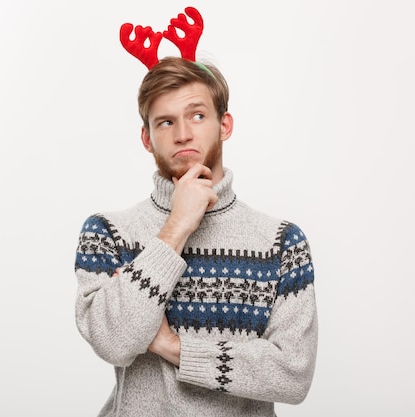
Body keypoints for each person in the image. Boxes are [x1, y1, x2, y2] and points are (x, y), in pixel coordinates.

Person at [74, 8, 317, 417]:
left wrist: (173, 347)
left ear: (225, 125)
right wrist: (176, 228)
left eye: (197, 115)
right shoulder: (108, 233)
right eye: (165, 122)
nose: (183, 133)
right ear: (146, 139)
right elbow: (114, 341)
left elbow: (292, 375)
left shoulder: (281, 242)